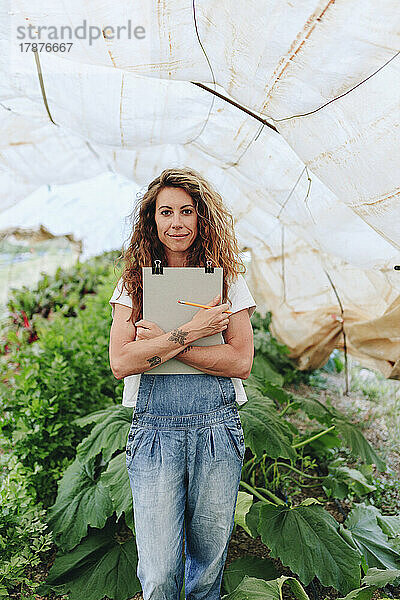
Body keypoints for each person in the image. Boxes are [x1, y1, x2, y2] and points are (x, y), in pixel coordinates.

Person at [108, 167, 256, 600]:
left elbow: (240, 360)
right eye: (166, 212)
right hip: (155, 433)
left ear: (201, 218)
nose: (176, 223)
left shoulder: (228, 279)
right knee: (157, 573)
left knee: (207, 569)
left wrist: (164, 344)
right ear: (151, 221)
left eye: (186, 212)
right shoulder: (133, 283)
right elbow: (121, 361)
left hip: (216, 430)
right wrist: (192, 330)